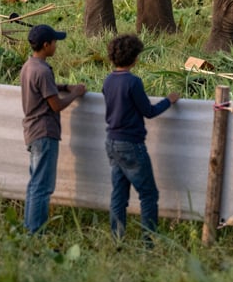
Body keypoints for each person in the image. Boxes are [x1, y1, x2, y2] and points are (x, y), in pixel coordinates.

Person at [102, 34, 180, 243]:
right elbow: (148, 111)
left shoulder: (108, 81)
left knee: (119, 194)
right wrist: (169, 100)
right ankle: (148, 240)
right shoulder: (133, 82)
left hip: (111, 141)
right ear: (135, 58)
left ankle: (117, 238)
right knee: (148, 195)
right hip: (131, 144)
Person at [21, 24, 87, 233]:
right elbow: (56, 105)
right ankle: (36, 232)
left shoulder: (29, 66)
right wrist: (75, 93)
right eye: (55, 42)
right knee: (43, 187)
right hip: (45, 132)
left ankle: (28, 228)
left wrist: (64, 86)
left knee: (34, 184)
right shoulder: (43, 71)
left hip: (31, 131)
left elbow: (43, 88)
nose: (56, 46)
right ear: (46, 45)